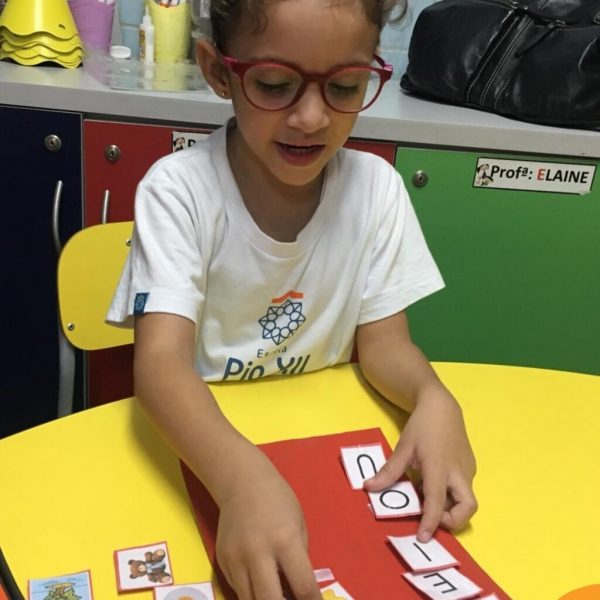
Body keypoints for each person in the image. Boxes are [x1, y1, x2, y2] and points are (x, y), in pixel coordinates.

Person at [108, 0, 477, 598]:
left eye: (346, 86)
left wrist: (432, 397)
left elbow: (386, 347)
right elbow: (159, 364)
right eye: (275, 86)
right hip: (207, 454)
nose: (311, 118)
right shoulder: (178, 192)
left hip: (321, 452)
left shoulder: (377, 191)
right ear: (218, 71)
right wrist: (238, 478)